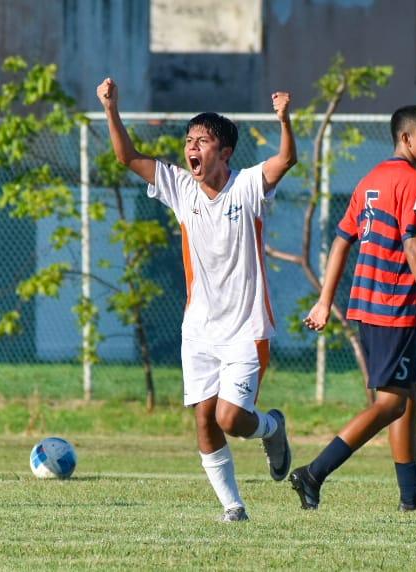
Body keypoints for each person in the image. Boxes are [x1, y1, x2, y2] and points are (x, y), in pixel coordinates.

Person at [96, 77, 297, 522]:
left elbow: (286, 159)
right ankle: (233, 507)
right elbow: (127, 157)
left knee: (230, 418)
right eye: (189, 140)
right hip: (199, 331)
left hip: (246, 329)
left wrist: (284, 120)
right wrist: (111, 108)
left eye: (202, 141)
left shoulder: (246, 186)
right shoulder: (180, 187)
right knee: (204, 419)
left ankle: (270, 428)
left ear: (224, 153)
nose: (192, 148)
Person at [289, 105, 416, 511]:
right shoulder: (412, 181)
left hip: (370, 303)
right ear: (405, 138)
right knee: (391, 403)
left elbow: (342, 239)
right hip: (391, 305)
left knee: (409, 395)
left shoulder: (370, 180)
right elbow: (412, 245)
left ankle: (411, 497)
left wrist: (326, 300)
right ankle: (313, 473)